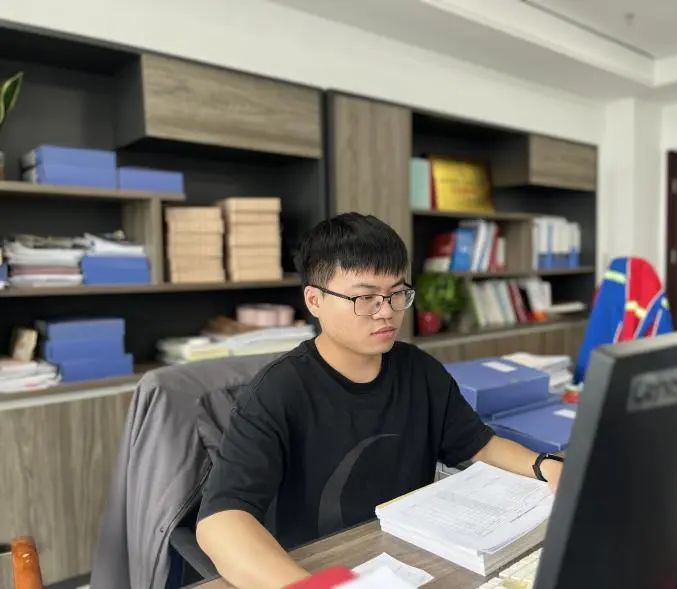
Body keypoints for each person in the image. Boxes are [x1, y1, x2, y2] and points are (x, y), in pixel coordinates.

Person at [196, 213, 564, 589]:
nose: (386, 311)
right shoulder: (276, 391)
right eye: (365, 297)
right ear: (314, 300)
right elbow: (220, 521)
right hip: (315, 566)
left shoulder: (419, 370)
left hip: (410, 558)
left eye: (396, 294)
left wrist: (545, 465)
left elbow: (480, 445)